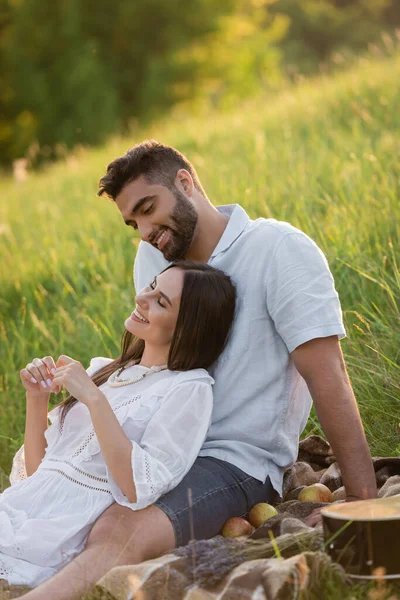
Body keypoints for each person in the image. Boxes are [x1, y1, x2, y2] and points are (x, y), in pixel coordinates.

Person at [20, 140, 377, 600]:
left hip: (230, 458)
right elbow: (153, 363)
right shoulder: (152, 258)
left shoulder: (278, 250)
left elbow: (328, 378)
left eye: (149, 209)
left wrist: (362, 501)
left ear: (185, 183)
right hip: (157, 438)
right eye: (134, 222)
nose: (145, 230)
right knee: (57, 499)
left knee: (118, 526)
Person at [1, 261, 236, 588]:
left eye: (161, 301)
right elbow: (40, 474)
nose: (143, 297)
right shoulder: (108, 372)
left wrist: (94, 399)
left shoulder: (188, 388)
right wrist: (36, 399)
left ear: (188, 326)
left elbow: (136, 489)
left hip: (58, 536)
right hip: (17, 511)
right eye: (151, 286)